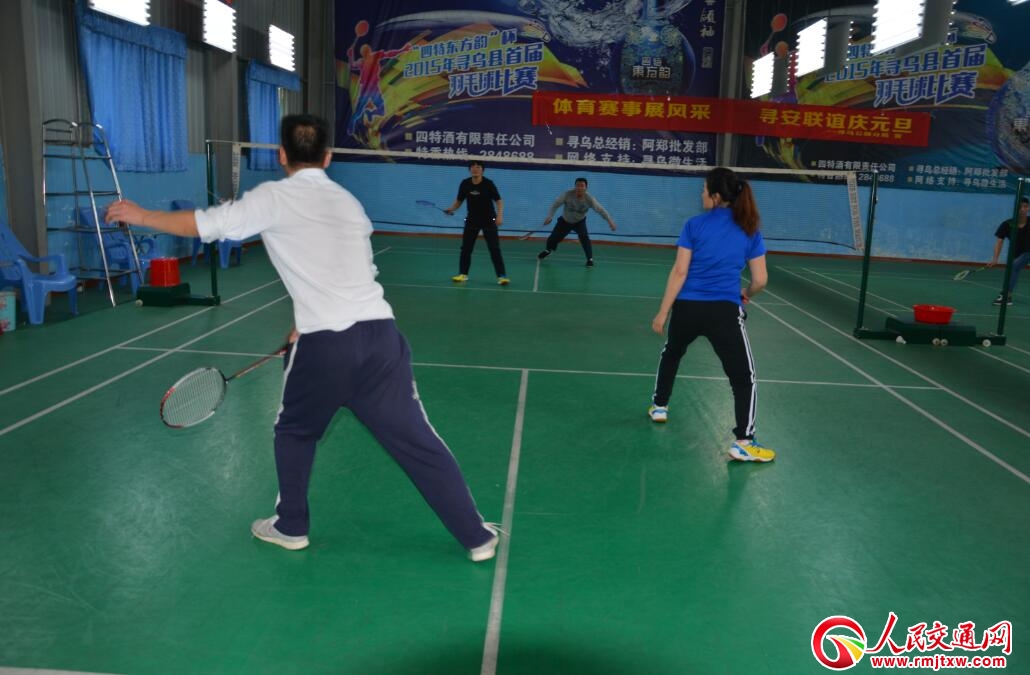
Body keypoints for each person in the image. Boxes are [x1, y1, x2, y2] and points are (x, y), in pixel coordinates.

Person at [105, 114, 499, 560]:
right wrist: (305, 319)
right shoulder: (349, 202)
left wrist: (142, 215)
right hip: (381, 338)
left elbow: (205, 224)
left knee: (294, 431)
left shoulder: (273, 197)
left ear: (281, 155)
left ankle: (291, 525)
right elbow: (354, 269)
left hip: (325, 348)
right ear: (327, 157)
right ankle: (476, 536)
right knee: (419, 442)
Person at [649, 167, 776, 463]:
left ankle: (659, 406)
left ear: (716, 196)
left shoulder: (693, 225)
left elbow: (680, 272)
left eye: (704, 189)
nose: (701, 193)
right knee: (743, 378)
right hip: (724, 312)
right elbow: (760, 280)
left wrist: (663, 312)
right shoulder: (750, 229)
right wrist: (746, 293)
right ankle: (744, 441)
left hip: (687, 308)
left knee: (672, 352)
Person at [444, 161, 509, 285]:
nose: (475, 169)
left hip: (489, 220)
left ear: (482, 170)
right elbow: (459, 200)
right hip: (471, 220)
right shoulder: (465, 183)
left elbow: (499, 201)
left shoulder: (488, 184)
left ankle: (502, 276)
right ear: (469, 170)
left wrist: (500, 216)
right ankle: (463, 274)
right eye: (473, 167)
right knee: (466, 249)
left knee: (494, 249)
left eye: (478, 167)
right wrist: (451, 209)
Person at [537, 177, 617, 267]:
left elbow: (601, 210)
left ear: (586, 188)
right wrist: (550, 216)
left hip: (579, 222)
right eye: (577, 185)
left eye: (582, 186)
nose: (579, 188)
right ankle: (548, 250)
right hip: (565, 221)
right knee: (553, 238)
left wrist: (610, 221)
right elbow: (555, 204)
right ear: (575, 186)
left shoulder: (589, 199)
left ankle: (590, 259)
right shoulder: (567, 194)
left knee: (584, 237)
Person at [987, 196, 1029, 306]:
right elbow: (999, 242)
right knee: (1013, 269)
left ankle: (1006, 296)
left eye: (1025, 206)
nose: (1022, 209)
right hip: (1016, 253)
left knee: (1013, 267)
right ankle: (1008, 297)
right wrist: (995, 259)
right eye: (1019, 207)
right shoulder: (1007, 224)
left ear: (1028, 208)